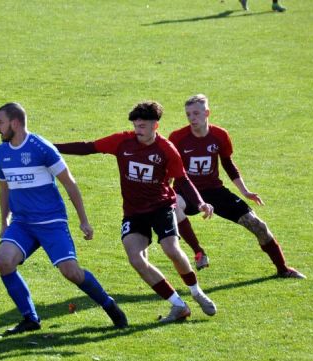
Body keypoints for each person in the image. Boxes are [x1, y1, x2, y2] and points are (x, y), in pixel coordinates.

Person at [55, 101, 217, 323]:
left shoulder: (166, 149)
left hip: (161, 207)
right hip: (133, 213)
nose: (137, 130)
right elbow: (89, 147)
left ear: (155, 126)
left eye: (142, 126)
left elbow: (182, 179)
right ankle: (178, 305)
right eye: (135, 126)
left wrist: (200, 203)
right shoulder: (123, 141)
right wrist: (50, 147)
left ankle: (197, 292)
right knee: (136, 259)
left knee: (171, 249)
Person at [0, 102, 127, 336]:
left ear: (14, 123)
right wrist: (4, 221)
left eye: (0, 122)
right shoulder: (1, 152)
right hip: (22, 223)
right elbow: (4, 189)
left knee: (71, 272)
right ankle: (30, 318)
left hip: (51, 223)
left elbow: (70, 184)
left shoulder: (42, 148)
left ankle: (109, 305)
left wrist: (83, 220)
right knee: (4, 262)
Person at [168, 94, 305, 279]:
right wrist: (164, 191)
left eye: (196, 113)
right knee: (174, 205)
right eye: (188, 114)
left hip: (215, 191)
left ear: (207, 113)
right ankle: (199, 251)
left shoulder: (220, 135)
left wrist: (245, 191)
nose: (192, 118)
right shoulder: (177, 138)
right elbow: (169, 169)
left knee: (258, 225)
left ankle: (283, 269)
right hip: (186, 191)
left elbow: (228, 164)